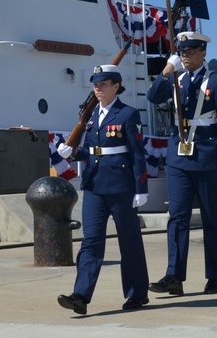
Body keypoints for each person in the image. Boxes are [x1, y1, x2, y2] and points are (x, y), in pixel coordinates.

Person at [56, 64, 150, 314]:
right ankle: (81, 296)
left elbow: (137, 154)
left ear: (116, 86)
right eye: (95, 84)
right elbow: (94, 151)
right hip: (95, 184)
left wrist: (142, 188)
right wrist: (74, 152)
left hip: (121, 186)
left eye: (103, 84)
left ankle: (137, 293)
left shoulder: (127, 114)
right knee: (91, 242)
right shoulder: (91, 116)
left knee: (129, 242)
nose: (98, 88)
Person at [146, 32, 217, 295]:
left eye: (190, 51)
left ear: (202, 52)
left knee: (212, 218)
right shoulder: (177, 78)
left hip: (207, 157)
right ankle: (174, 275)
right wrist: (166, 70)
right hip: (178, 158)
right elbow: (153, 98)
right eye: (182, 51)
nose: (185, 55)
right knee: (177, 218)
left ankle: (215, 276)